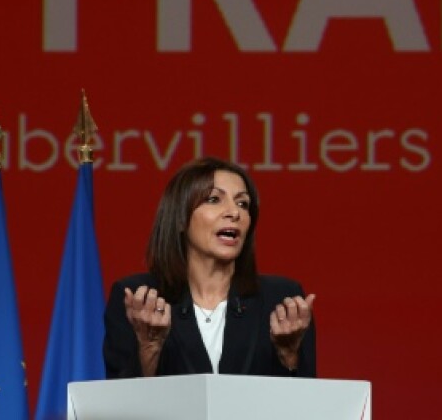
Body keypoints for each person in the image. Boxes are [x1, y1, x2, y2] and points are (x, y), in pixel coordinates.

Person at [103, 157, 316, 378]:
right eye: (214, 199)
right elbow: (122, 396)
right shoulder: (140, 300)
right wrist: (149, 347)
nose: (234, 212)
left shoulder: (280, 300)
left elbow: (307, 395)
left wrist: (288, 355)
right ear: (180, 218)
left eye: (242, 204)